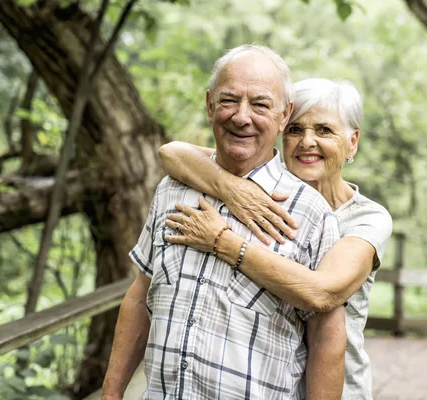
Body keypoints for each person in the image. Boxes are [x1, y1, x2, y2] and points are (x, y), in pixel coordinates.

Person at [101, 45, 347, 400]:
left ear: (284, 115)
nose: (241, 117)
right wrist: (111, 394)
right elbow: (141, 297)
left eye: (260, 105)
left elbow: (327, 338)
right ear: (210, 105)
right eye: (229, 100)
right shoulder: (172, 190)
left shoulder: (309, 212)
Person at [159, 77, 393, 400]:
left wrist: (223, 242)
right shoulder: (259, 191)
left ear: (352, 142)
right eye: (296, 129)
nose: (307, 141)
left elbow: (322, 291)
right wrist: (230, 187)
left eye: (324, 130)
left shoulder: (366, 218)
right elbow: (172, 153)